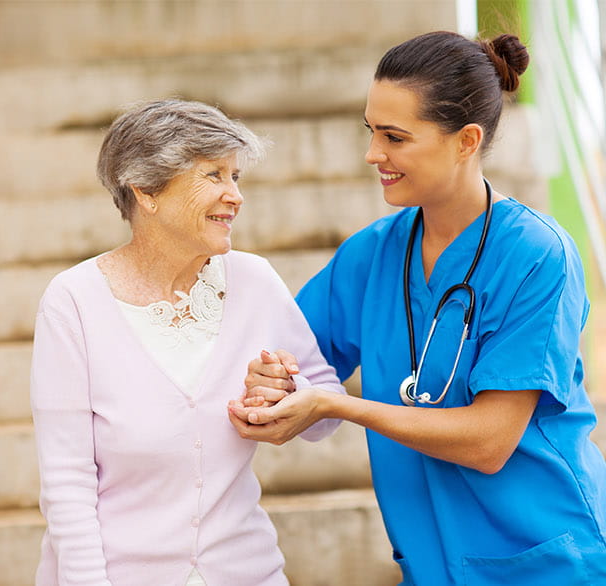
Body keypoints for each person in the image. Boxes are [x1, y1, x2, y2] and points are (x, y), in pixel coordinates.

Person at [229, 31, 606, 585]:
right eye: (371, 132)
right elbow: (294, 360)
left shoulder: (536, 255)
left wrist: (342, 407)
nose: (373, 154)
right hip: (432, 566)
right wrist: (271, 379)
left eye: (395, 137)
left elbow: (489, 440)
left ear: (466, 140)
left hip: (547, 560)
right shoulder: (370, 255)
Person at [30, 98, 346, 586]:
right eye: (213, 175)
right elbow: (67, 483)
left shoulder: (254, 281)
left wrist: (288, 389)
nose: (235, 195)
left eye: (235, 176)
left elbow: (325, 411)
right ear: (147, 192)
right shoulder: (73, 302)